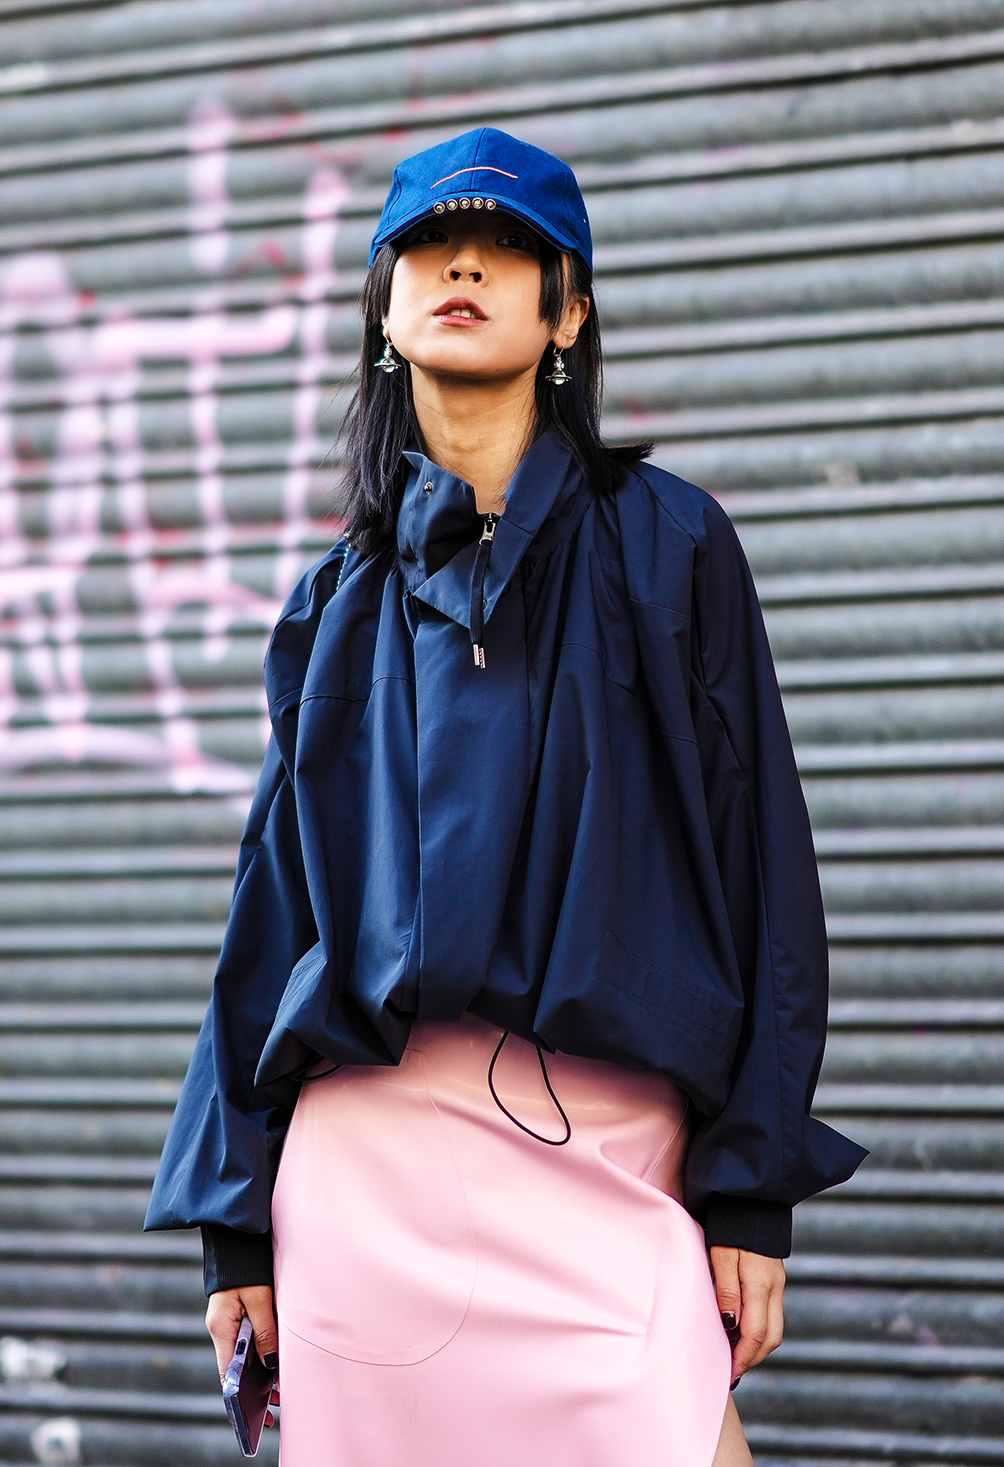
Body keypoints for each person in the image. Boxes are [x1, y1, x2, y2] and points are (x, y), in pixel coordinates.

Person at [144, 126, 866, 1467]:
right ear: (386, 305)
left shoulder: (673, 549)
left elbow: (765, 873)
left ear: (567, 311)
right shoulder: (333, 603)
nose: (464, 260)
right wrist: (233, 1223)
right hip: (370, 1180)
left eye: (513, 243)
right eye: (425, 239)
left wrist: (752, 1194)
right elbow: (273, 916)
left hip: (610, 1159)